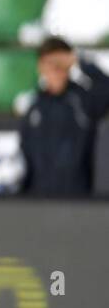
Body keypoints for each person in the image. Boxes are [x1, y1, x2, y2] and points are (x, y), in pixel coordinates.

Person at [19, 36, 109, 196]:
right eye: (50, 64)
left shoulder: (83, 100)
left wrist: (81, 61)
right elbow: (26, 161)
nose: (56, 70)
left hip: (77, 202)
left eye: (60, 64)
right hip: (38, 202)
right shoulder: (33, 108)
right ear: (41, 66)